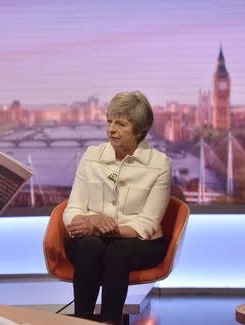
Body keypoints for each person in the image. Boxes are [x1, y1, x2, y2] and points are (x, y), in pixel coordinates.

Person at [64, 91, 170, 324]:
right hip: (92, 241)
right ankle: (82, 320)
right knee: (90, 246)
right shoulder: (91, 156)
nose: (111, 129)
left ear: (140, 130)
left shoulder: (159, 164)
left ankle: (110, 321)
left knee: (117, 252)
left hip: (142, 243)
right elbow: (72, 209)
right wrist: (88, 221)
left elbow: (148, 223)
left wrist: (107, 227)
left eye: (120, 124)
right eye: (109, 121)